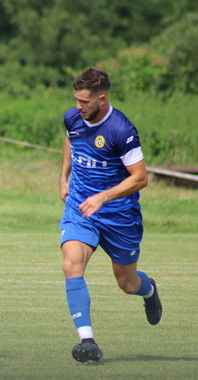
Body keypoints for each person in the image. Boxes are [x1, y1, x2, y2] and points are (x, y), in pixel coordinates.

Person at [58, 67, 162, 362]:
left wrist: (103, 197)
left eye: (84, 102)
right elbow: (70, 142)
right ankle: (87, 341)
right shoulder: (73, 118)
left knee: (127, 284)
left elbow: (140, 178)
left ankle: (149, 289)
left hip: (119, 215)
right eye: (76, 100)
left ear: (101, 99)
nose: (78, 107)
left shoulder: (121, 130)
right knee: (71, 264)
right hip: (81, 209)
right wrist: (63, 178)